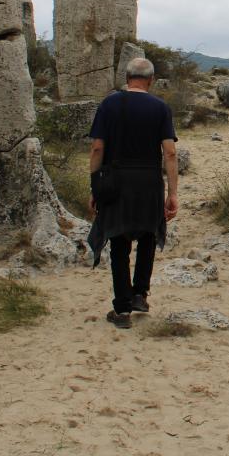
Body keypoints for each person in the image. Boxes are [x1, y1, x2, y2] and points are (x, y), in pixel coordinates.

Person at [85, 57, 179, 329]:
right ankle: (140, 294)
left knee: (119, 242)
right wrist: (172, 193)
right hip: (149, 181)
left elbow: (97, 148)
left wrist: (95, 185)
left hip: (117, 180)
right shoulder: (160, 108)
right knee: (149, 235)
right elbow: (170, 153)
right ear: (151, 80)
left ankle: (122, 309)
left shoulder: (109, 104)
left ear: (126, 78)